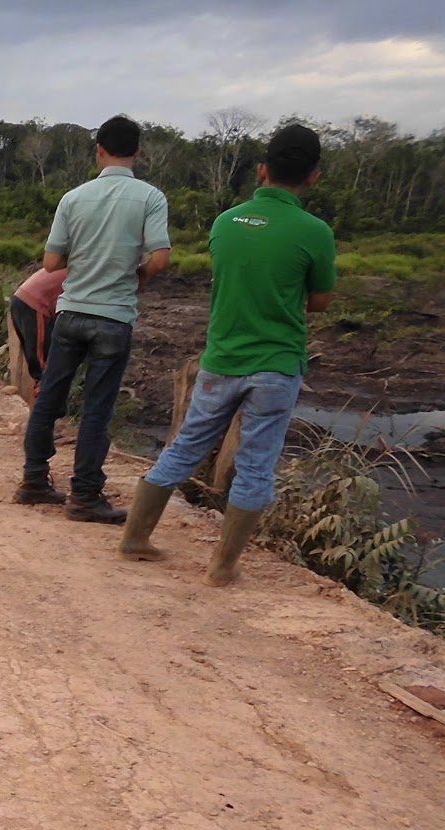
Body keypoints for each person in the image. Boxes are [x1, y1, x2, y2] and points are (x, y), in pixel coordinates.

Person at [119, 124, 337, 585]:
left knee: (183, 448)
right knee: (257, 464)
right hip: (277, 365)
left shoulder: (225, 223)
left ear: (261, 171)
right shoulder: (315, 232)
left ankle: (135, 538)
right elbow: (319, 302)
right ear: (313, 177)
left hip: (221, 360)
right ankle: (222, 566)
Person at [15, 115, 171, 523]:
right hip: (114, 318)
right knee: (97, 409)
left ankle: (34, 480)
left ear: (99, 150)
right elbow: (160, 257)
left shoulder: (74, 198)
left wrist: (82, 254)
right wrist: (135, 276)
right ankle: (84, 495)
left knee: (49, 398)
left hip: (70, 313)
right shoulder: (150, 198)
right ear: (138, 151)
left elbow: (51, 262)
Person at [9, 266, 67, 405]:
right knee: (45, 370)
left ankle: (38, 420)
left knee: (40, 367)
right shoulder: (86, 272)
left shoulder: (75, 264)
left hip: (22, 300)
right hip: (35, 305)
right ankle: (40, 421)